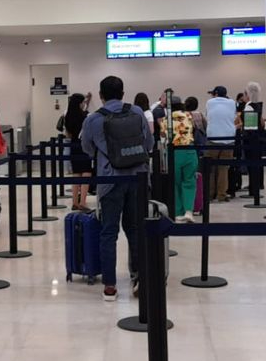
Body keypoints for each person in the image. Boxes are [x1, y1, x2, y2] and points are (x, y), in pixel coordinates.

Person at [80, 75, 153, 302]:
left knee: (108, 233)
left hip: (110, 182)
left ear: (100, 95)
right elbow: (149, 144)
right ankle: (139, 278)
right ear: (123, 93)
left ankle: (110, 286)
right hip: (138, 179)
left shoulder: (93, 119)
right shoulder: (137, 112)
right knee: (136, 230)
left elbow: (86, 148)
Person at [204, 85, 237, 201]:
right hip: (229, 138)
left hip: (213, 138)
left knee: (210, 168)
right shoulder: (232, 103)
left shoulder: (209, 102)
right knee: (223, 168)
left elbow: (208, 116)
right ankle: (221, 195)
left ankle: (209, 194)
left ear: (216, 94)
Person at [169, 96, 196, 221]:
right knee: (189, 182)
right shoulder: (188, 116)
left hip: (175, 152)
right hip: (190, 150)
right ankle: (188, 211)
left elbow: (164, 135)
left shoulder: (166, 119)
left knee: (175, 183)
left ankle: (178, 212)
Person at [64, 92, 92, 211]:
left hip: (73, 145)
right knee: (86, 173)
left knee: (76, 174)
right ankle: (83, 202)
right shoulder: (84, 117)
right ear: (80, 104)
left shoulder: (68, 116)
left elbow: (68, 134)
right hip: (84, 146)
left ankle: (74, 201)